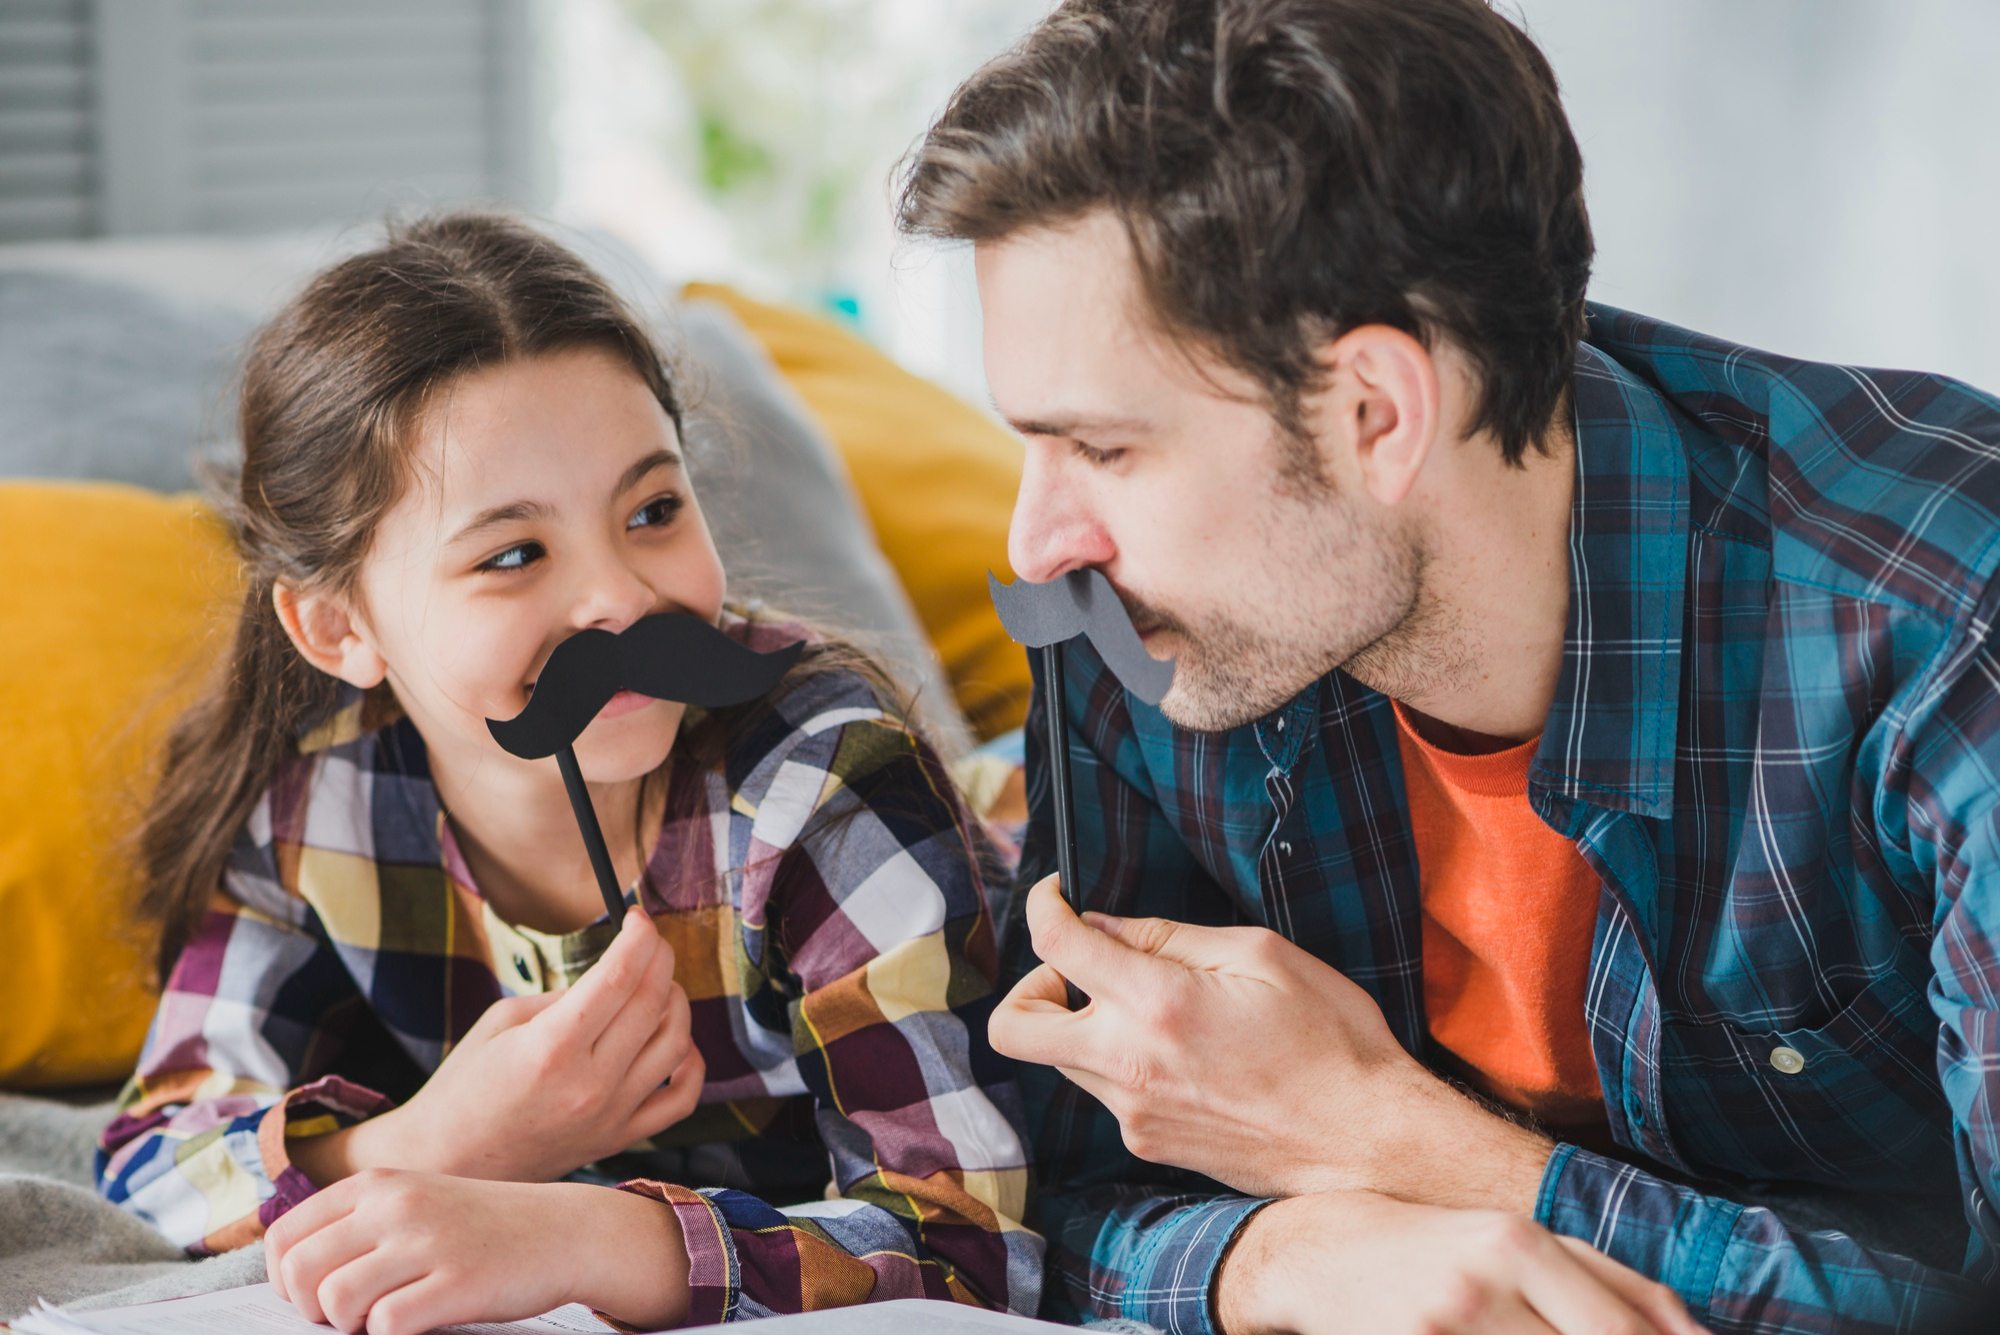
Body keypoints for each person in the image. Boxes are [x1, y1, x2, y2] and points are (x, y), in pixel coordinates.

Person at [897, 1, 2000, 1332]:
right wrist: (1283, 1258)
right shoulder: (1134, 620)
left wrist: (1385, 1138)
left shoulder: (1946, 627)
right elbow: (1040, 1188)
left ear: (1376, 412)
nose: (1036, 538)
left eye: (1106, 450)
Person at [98, 214, 1041, 1334]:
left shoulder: (823, 783)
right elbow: (154, 1155)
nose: (620, 601)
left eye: (652, 512)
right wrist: (443, 1143)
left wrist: (592, 1240)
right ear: (339, 627)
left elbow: (975, 1243)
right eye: (512, 554)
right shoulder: (322, 808)